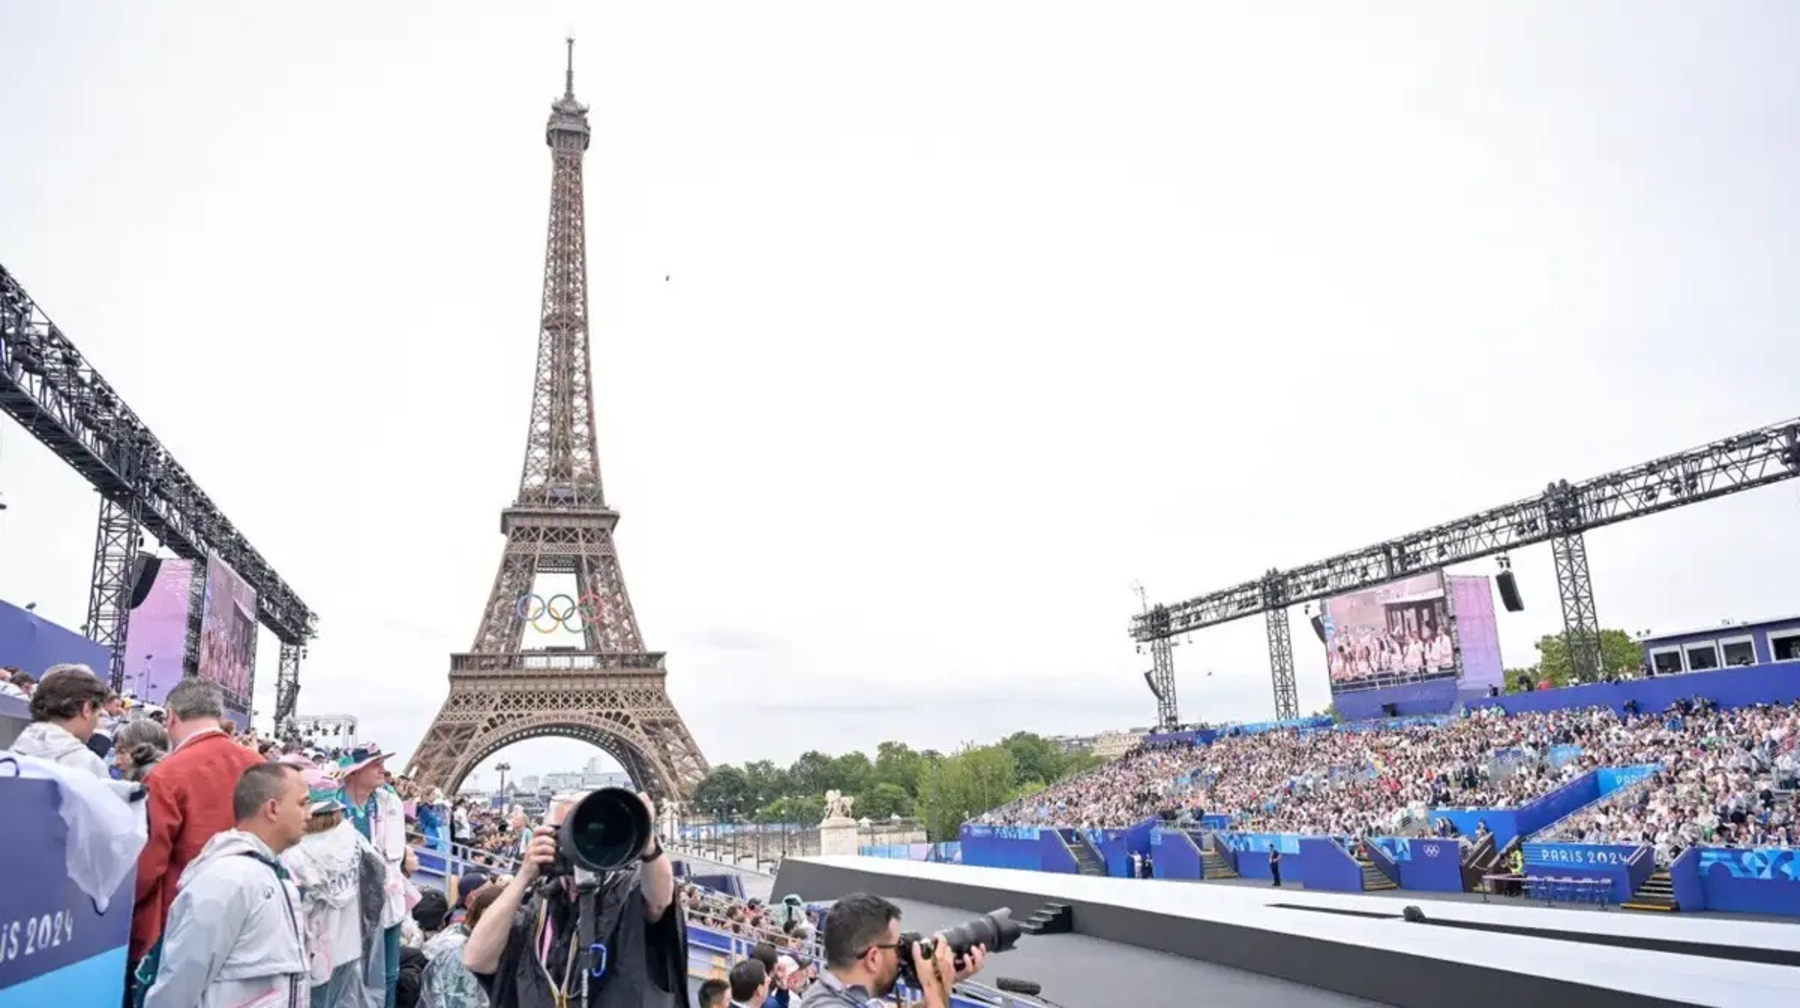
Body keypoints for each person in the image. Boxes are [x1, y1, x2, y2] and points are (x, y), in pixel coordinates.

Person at [461, 791, 685, 1008]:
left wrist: (649, 845)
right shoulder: (539, 906)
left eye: (587, 828)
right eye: (562, 830)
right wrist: (524, 876)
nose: (578, 841)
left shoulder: (627, 890)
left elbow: (659, 902)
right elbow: (476, 959)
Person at [144, 763, 312, 1008]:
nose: (309, 814)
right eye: (302, 803)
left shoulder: (270, 871)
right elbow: (179, 983)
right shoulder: (227, 879)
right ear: (272, 809)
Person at [132, 678, 269, 971]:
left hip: (181, 927)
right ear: (220, 718)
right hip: (253, 921)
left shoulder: (166, 775)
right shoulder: (259, 765)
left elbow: (147, 866)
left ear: (170, 717)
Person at [798, 892, 985, 1008]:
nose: (900, 958)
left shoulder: (830, 993)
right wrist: (933, 987)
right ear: (873, 958)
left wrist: (942, 983)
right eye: (897, 948)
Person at [336, 745, 409, 1007]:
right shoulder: (332, 803)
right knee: (347, 973)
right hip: (346, 901)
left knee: (388, 975)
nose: (383, 769)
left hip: (384, 897)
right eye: (374, 764)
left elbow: (394, 854)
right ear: (355, 772)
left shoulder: (390, 803)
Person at [6, 664, 112, 777]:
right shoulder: (89, 765)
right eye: (98, 714)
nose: (97, 723)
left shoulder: (13, 751)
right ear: (87, 708)